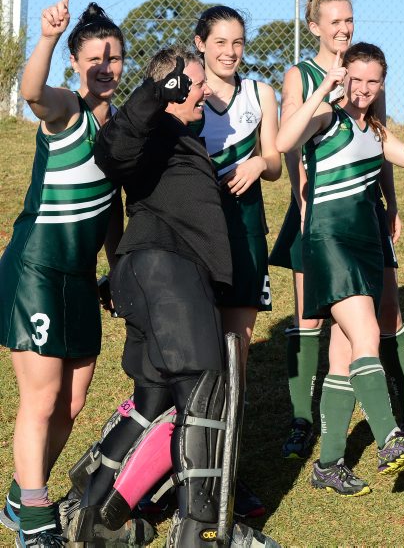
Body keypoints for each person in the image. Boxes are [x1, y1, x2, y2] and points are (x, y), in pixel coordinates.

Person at [91, 47, 277, 546]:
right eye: (195, 83)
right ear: (170, 90)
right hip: (166, 270)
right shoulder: (154, 129)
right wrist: (156, 91)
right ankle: (202, 531)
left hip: (163, 274)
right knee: (204, 392)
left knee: (153, 402)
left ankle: (92, 515)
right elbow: (112, 148)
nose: (206, 90)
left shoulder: (180, 138)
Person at [273, 0, 404, 462]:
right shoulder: (309, 84)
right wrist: (303, 200)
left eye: (349, 20)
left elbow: (381, 143)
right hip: (322, 214)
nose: (343, 27)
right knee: (325, 323)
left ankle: (333, 460)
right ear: (315, 26)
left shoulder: (365, 75)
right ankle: (327, 425)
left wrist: (394, 200)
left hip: (364, 217)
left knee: (353, 338)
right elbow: (288, 143)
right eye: (335, 21)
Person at [0, 0, 124, 547]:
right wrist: (47, 37)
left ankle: (20, 497)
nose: (105, 67)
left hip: (79, 279)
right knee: (43, 397)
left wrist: (116, 268)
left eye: (114, 57)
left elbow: (114, 207)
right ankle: (34, 519)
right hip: (37, 271)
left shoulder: (119, 129)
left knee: (72, 402)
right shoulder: (66, 110)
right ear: (75, 62)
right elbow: (31, 92)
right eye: (94, 57)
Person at [193, 5, 281, 518]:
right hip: (197, 237)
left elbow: (275, 162)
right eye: (221, 42)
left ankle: (228, 474)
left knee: (236, 360)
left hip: (246, 232)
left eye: (238, 42)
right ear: (201, 44)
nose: (230, 52)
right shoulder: (189, 92)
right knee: (195, 357)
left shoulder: (259, 93)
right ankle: (184, 470)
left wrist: (258, 162)